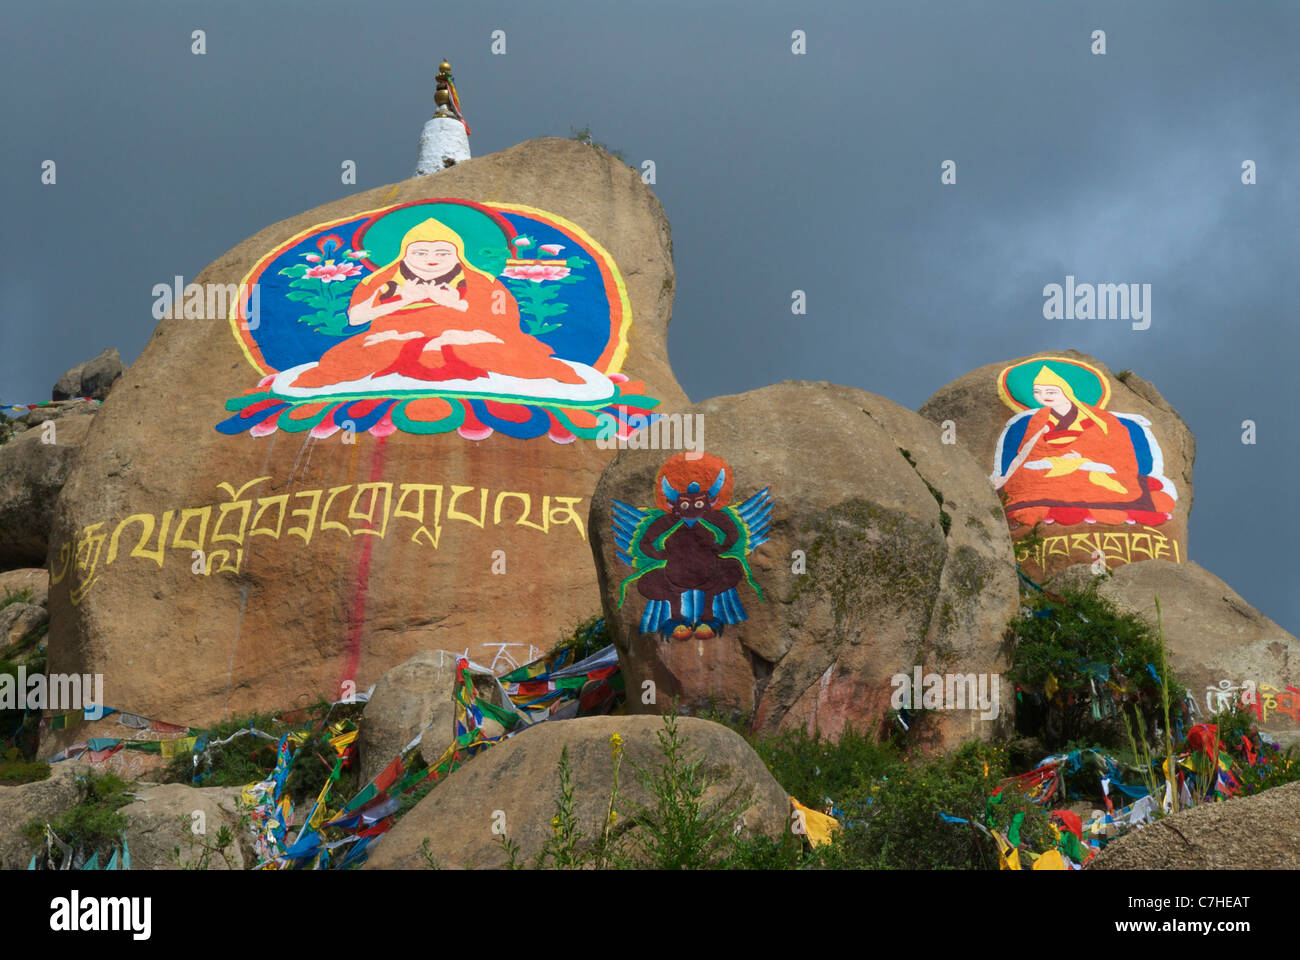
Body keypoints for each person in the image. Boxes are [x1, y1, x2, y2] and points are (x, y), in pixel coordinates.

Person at [290, 218, 583, 389]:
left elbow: (505, 325)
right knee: (363, 352)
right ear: (404, 255)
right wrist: (402, 301)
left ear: (458, 255)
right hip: (390, 340)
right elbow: (355, 318)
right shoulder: (380, 281)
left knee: (500, 351)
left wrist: (458, 308)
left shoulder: (484, 283)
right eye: (420, 253)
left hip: (472, 341)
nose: (431, 259)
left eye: (442, 253)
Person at [991, 366, 1174, 526]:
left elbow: (1120, 453)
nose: (1043, 397)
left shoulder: (1102, 420)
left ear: (1066, 391)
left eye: (1050, 391)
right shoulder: (1039, 419)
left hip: (1097, 470)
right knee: (1029, 480)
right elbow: (1027, 452)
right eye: (1037, 392)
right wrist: (1010, 475)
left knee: (1090, 480)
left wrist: (1081, 460)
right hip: (1052, 469)